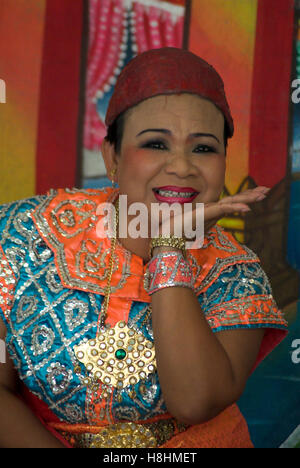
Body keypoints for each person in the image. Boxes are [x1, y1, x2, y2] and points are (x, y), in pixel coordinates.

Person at [0, 47, 288, 448]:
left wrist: (169, 249)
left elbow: (196, 402)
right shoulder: (24, 234)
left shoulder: (237, 274)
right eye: (156, 144)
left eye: (204, 148)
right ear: (112, 156)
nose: (183, 166)